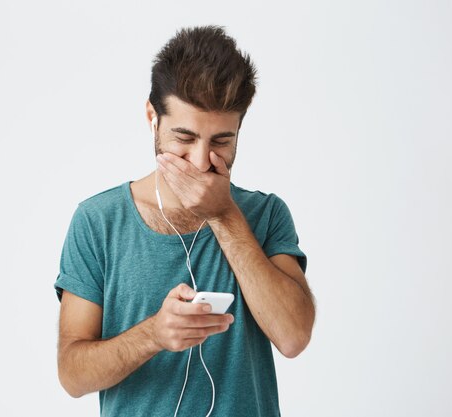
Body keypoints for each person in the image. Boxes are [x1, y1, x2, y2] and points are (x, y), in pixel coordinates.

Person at [54, 25, 316, 417]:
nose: (200, 160)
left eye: (221, 142)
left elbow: (294, 337)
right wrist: (153, 335)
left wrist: (224, 215)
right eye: (185, 137)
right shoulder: (97, 222)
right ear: (152, 118)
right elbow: (72, 375)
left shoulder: (266, 215)